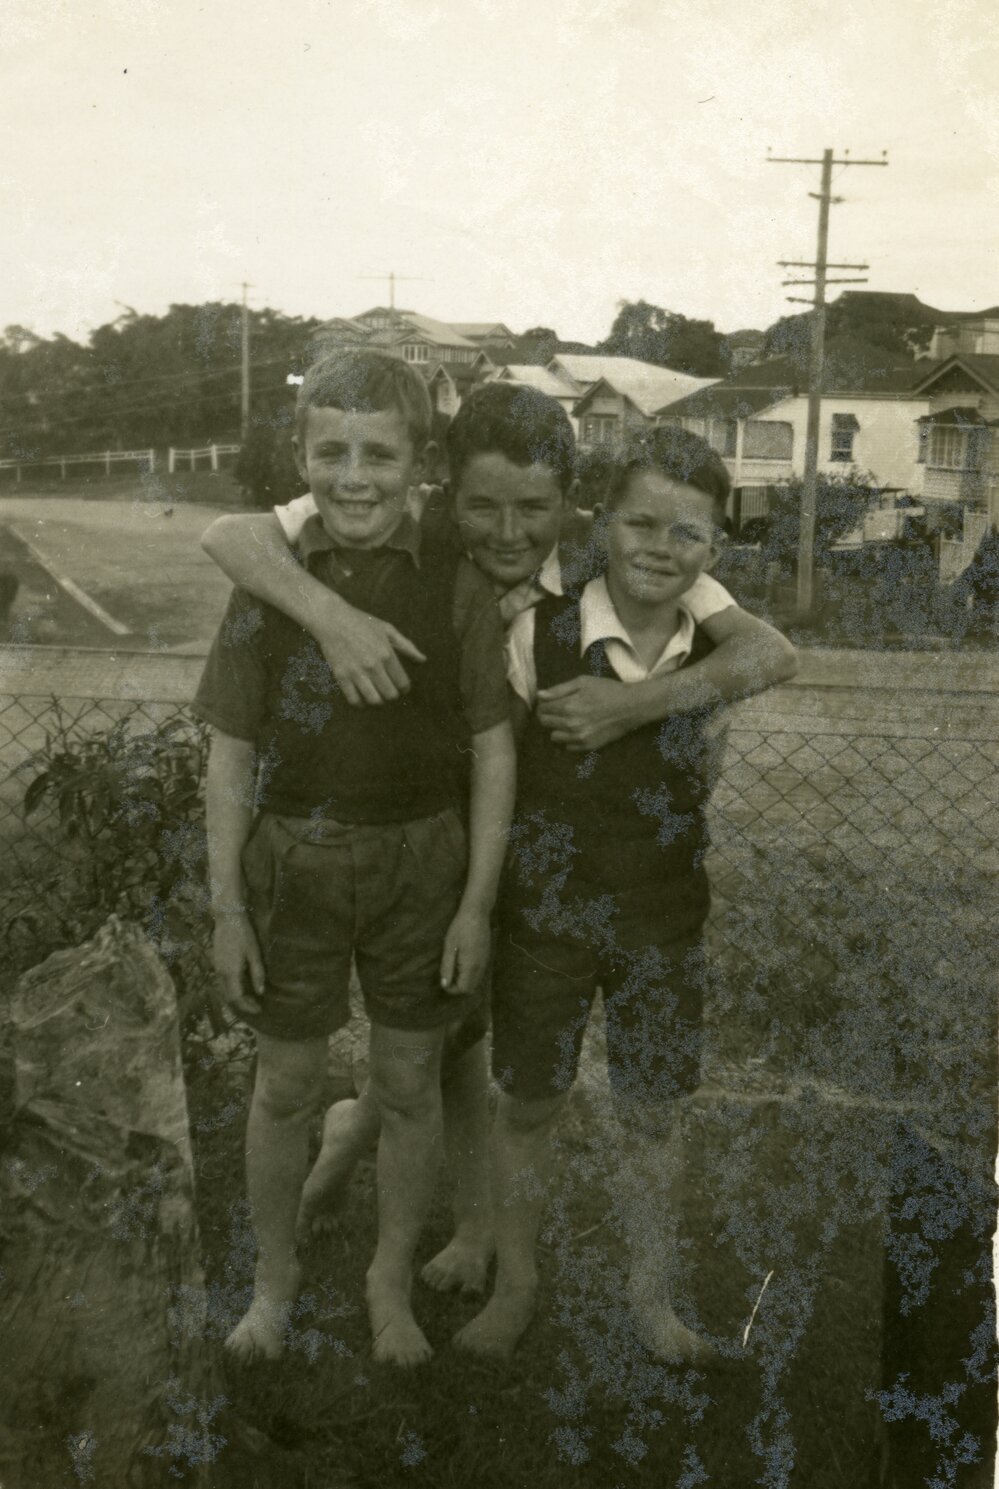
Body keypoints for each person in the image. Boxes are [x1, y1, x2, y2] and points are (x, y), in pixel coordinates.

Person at [199, 386, 797, 1271]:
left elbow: (768, 652)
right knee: (444, 1031)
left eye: (535, 509)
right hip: (450, 821)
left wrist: (632, 707)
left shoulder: (618, 541)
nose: (509, 533)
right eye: (482, 506)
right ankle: (394, 1188)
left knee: (462, 1039)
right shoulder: (417, 523)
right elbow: (229, 536)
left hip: (556, 834)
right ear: (443, 489)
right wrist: (336, 617)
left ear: (573, 502)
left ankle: (442, 1212)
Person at [192, 350, 516, 1367]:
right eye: (330, 451)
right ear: (300, 455)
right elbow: (229, 753)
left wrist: (474, 905)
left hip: (424, 861)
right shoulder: (271, 585)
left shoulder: (458, 585)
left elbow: (492, 749)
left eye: (379, 452)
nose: (354, 476)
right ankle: (273, 1282)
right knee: (285, 1083)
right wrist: (227, 908)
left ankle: (387, 1280)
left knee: (410, 1078)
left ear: (420, 460)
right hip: (293, 860)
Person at [455, 427, 746, 1363]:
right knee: (528, 1100)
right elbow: (493, 768)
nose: (660, 547)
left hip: (662, 919)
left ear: (714, 552)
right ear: (602, 525)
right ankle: (515, 1283)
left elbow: (702, 765)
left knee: (654, 1114)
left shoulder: (712, 649)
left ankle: (652, 1304)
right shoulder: (531, 633)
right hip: (547, 915)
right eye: (640, 522)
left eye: (687, 534)